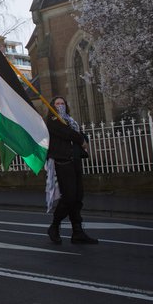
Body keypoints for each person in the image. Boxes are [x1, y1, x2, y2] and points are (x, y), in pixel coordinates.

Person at [45, 97, 98, 245]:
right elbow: (67, 133)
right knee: (68, 196)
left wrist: (83, 138)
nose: (60, 105)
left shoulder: (69, 120)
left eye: (62, 103)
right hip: (63, 161)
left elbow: (78, 132)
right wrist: (81, 140)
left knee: (77, 197)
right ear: (52, 106)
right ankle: (54, 226)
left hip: (75, 160)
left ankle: (77, 231)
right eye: (57, 103)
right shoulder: (53, 120)